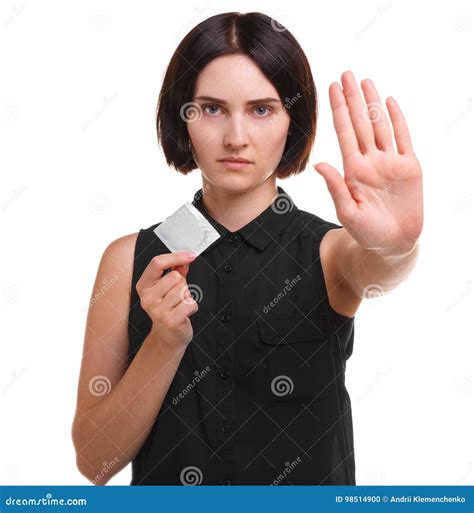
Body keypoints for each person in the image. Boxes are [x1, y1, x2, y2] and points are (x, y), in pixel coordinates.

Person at [71, 11, 423, 486]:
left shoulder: (330, 252)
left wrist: (400, 245)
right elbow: (95, 463)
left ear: (291, 121)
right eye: (212, 109)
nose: (236, 137)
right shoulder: (129, 259)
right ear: (183, 117)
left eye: (261, 109)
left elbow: (379, 267)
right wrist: (164, 342)